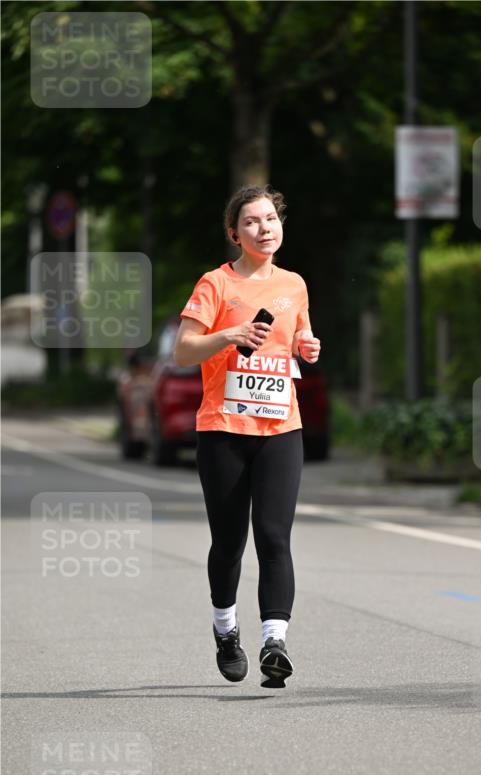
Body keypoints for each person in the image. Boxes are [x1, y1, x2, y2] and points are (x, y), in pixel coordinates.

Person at [174, 185, 320, 688]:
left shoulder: (295, 284)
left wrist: (308, 346)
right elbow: (183, 351)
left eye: (272, 218)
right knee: (230, 541)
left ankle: (274, 642)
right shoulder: (216, 283)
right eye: (253, 221)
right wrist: (229, 336)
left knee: (275, 537)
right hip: (223, 429)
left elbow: (298, 339)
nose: (265, 228)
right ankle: (226, 629)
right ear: (235, 233)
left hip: (281, 426)